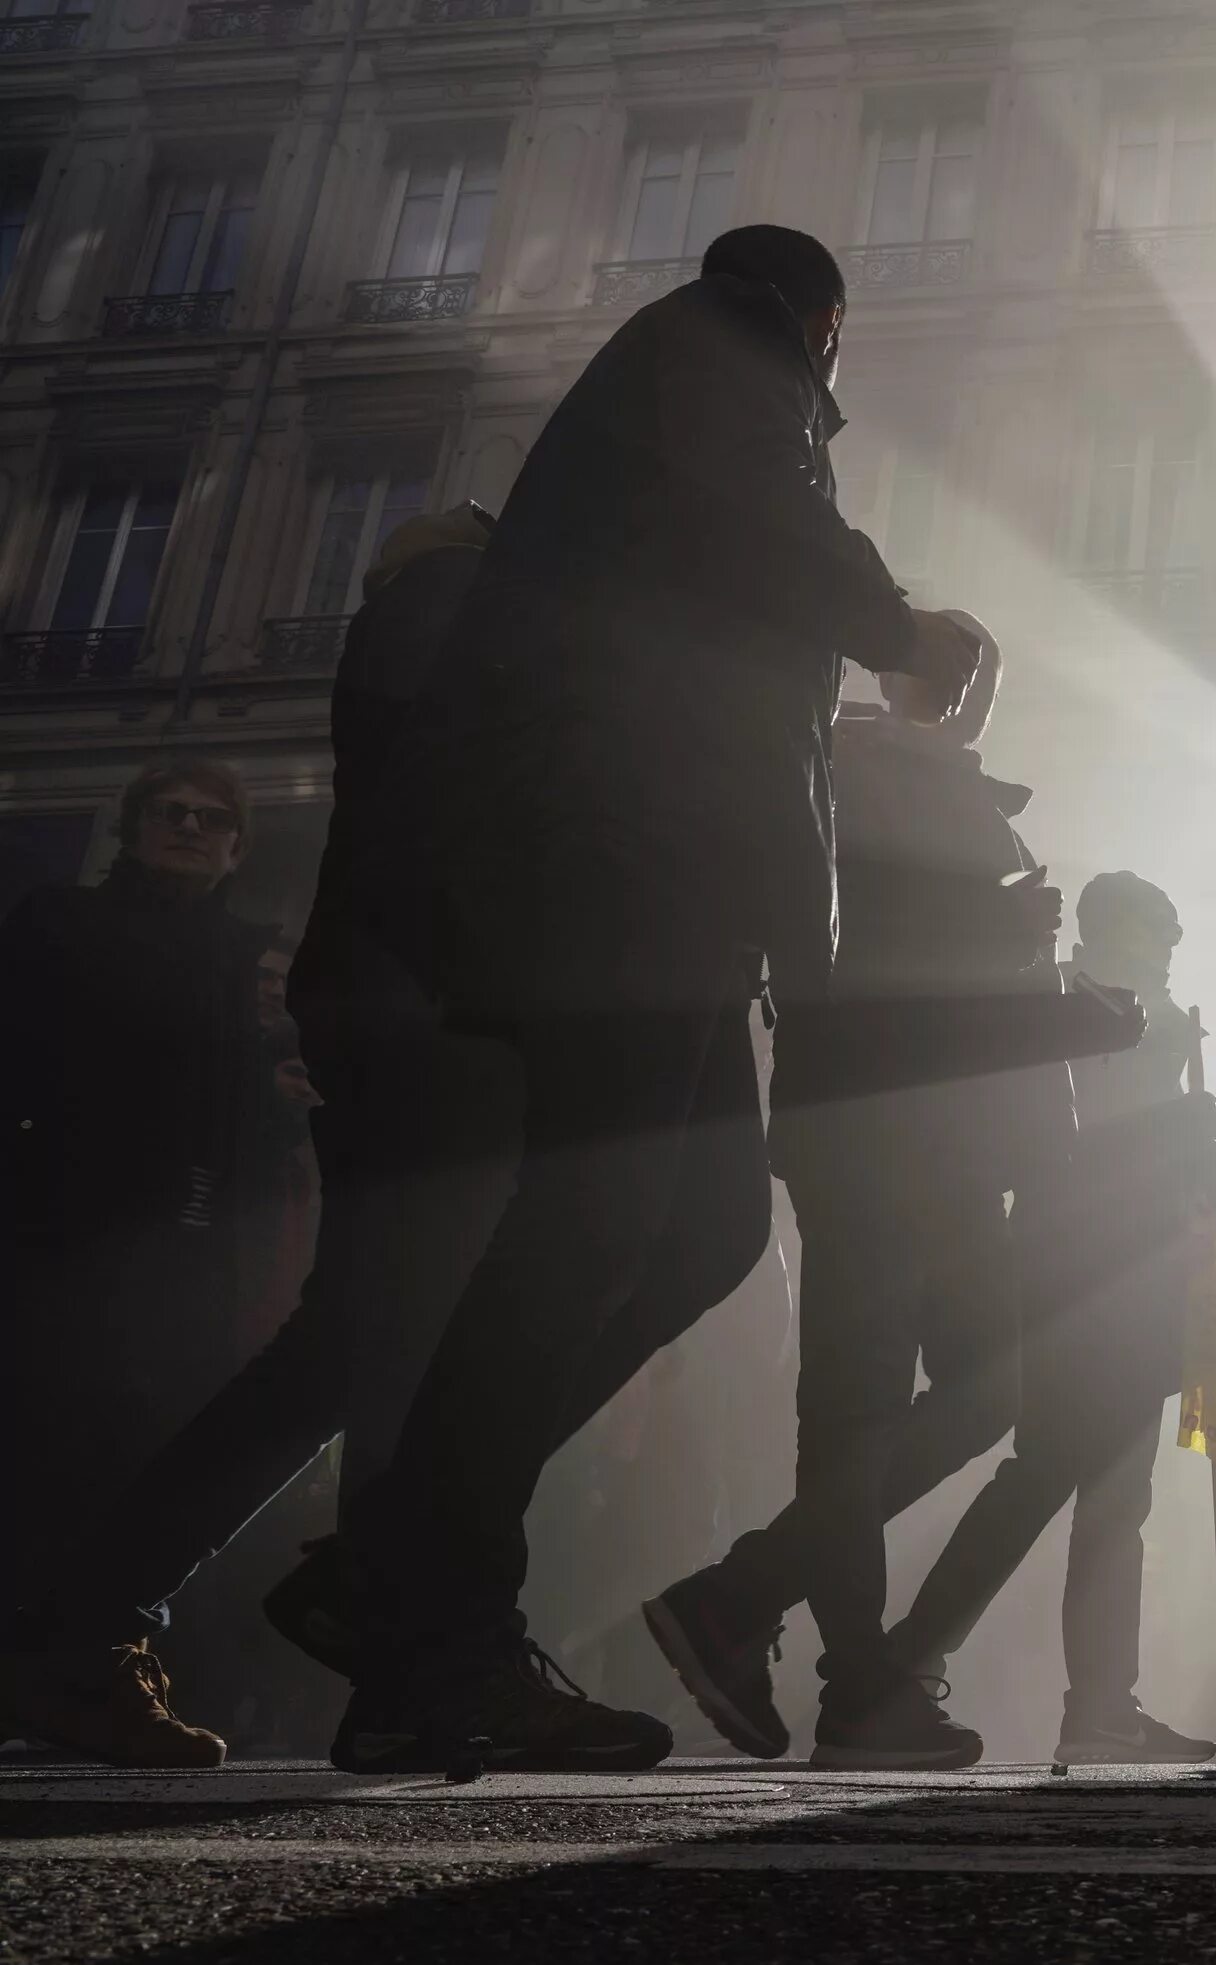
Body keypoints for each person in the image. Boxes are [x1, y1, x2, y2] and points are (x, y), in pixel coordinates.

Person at [328, 222, 992, 1774]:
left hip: (651, 861)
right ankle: (430, 1612)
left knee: (690, 1230)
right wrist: (911, 633)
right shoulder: (721, 356)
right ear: (824, 325)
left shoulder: (691, 369)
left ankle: (403, 1584)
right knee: (601, 1229)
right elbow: (763, 531)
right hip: (629, 857)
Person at [641, 661, 1135, 1769]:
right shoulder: (854, 779)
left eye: (981, 676)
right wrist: (1063, 1010)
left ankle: (745, 1595)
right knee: (861, 1408)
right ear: (895, 675)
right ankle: (854, 1683)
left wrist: (1048, 999)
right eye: (947, 670)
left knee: (975, 1392)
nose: (965, 693)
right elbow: (891, 985)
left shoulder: (932, 790)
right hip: (877, 1134)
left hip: (945, 1145)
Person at [879, 871, 1216, 1765]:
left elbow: (1186, 1169)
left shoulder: (1155, 1022)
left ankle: (1093, 1703)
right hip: (1081, 1280)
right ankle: (914, 1666)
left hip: (1137, 1282)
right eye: (1159, 929)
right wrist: (1179, 1129)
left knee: (1107, 1499)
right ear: (1112, 930)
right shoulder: (1076, 1010)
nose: (1170, 945)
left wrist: (1208, 1160)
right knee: (1049, 1480)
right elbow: (1074, 1150)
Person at [0, 760, 305, 1766]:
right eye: (169, 813)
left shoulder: (250, 954)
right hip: (65, 1225)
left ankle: (90, 1665)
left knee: (149, 1454)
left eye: (210, 818)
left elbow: (260, 1102)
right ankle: (65, 1663)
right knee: (55, 1445)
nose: (187, 827)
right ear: (132, 828)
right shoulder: (61, 923)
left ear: (235, 845)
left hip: (196, 1248)